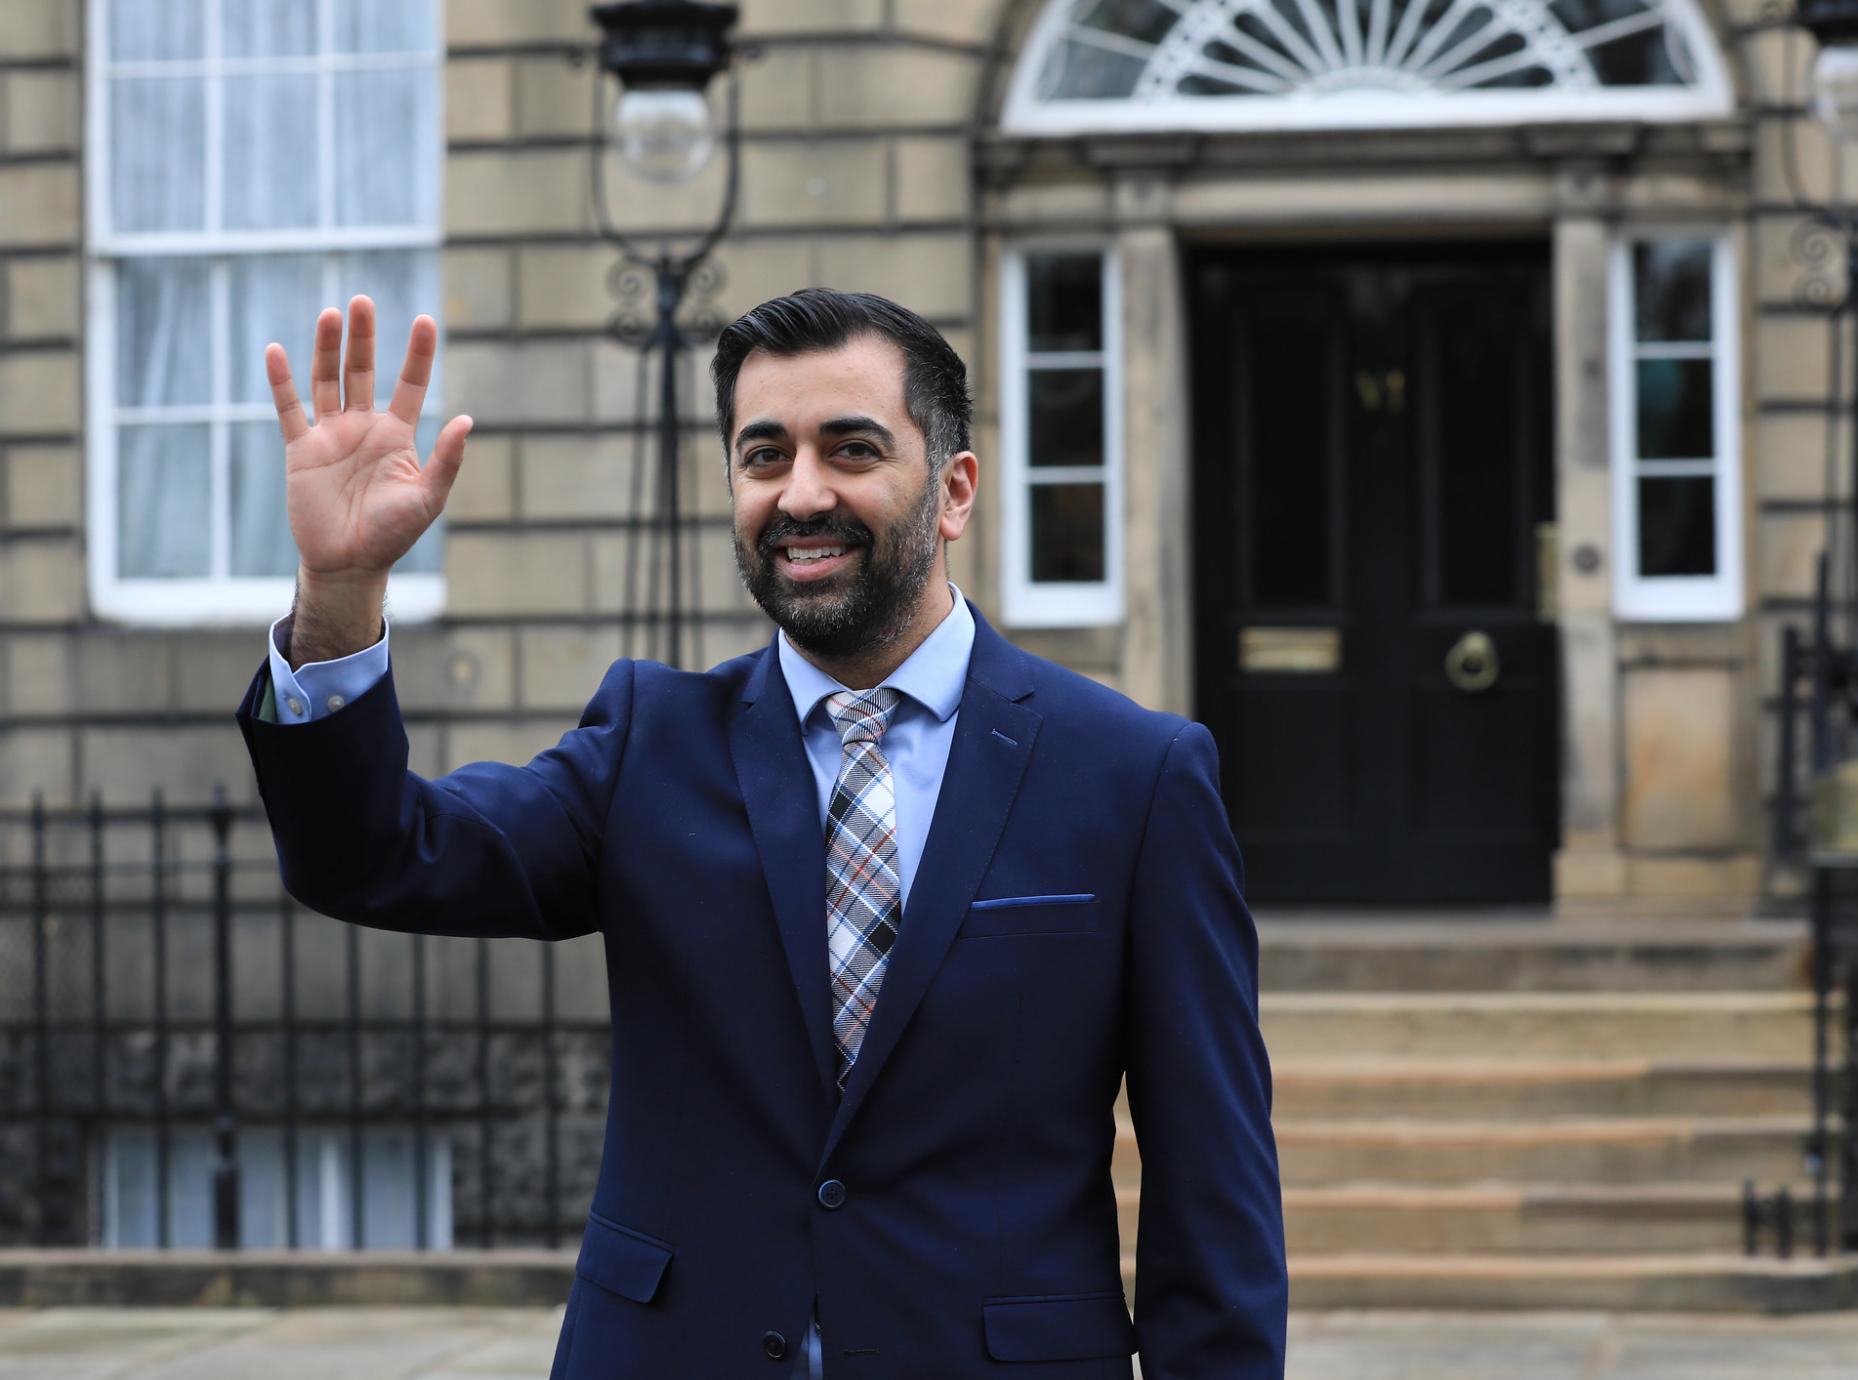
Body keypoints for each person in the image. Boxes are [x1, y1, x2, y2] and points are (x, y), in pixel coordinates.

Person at [233, 288, 1286, 1378]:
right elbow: (374, 857)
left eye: (852, 448)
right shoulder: (648, 743)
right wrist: (340, 594)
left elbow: (1211, 1193)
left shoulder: (1132, 775)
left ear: (955, 489)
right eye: (764, 455)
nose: (802, 493)